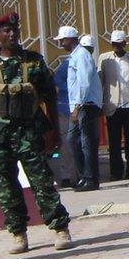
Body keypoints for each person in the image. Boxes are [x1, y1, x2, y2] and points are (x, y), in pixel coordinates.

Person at [0, 12, 73, 254]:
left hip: (30, 134)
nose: (12, 34)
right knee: (6, 187)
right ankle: (18, 233)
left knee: (43, 183)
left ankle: (60, 228)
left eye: (15, 30)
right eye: (6, 31)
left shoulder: (34, 62)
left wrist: (55, 133)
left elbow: (49, 97)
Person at [54, 26, 102, 192]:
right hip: (78, 105)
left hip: (86, 105)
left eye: (62, 40)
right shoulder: (73, 57)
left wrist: (78, 106)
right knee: (72, 140)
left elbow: (84, 83)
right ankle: (83, 176)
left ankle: (91, 179)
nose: (60, 43)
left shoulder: (82, 56)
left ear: (71, 40)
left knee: (87, 143)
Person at [98, 30, 129, 181]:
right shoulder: (104, 59)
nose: (117, 47)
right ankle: (116, 172)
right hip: (113, 106)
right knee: (114, 141)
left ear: (125, 44)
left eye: (119, 44)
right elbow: (100, 81)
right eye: (114, 44)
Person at [50, 57, 76, 187]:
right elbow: (56, 80)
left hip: (80, 109)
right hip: (65, 109)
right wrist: (71, 87)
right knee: (65, 143)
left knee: (79, 145)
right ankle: (66, 176)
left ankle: (78, 174)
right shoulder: (67, 63)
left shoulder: (87, 63)